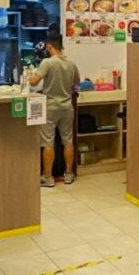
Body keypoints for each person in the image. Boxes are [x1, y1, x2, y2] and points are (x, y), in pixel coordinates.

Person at [29, 36, 80, 188]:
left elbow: (34, 82)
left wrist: (32, 75)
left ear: (50, 47)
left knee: (48, 142)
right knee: (68, 141)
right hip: (67, 107)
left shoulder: (47, 62)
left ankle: (48, 177)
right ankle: (69, 174)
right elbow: (76, 83)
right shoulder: (71, 63)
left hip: (50, 107)